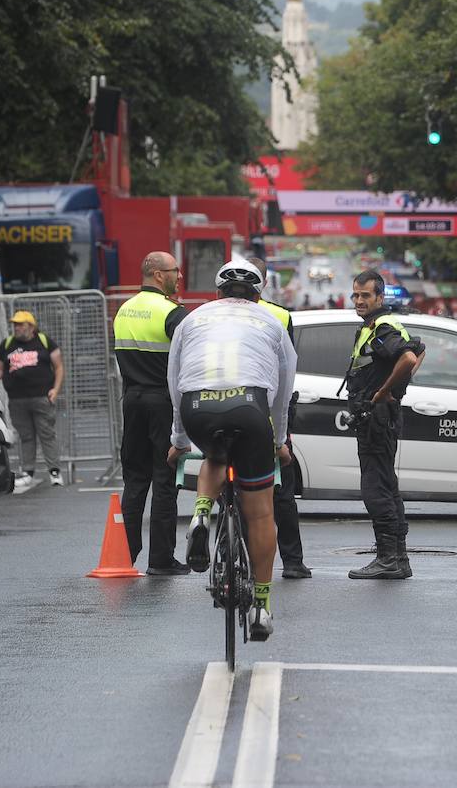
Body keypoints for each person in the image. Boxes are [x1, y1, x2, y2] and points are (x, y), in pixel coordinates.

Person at [167, 259, 297, 640]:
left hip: (198, 407)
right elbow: (284, 391)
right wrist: (278, 442)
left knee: (215, 455)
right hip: (249, 406)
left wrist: (179, 441)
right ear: (258, 294)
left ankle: (200, 514)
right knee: (260, 514)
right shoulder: (272, 322)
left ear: (217, 292)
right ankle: (261, 607)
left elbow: (175, 384)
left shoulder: (192, 320)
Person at [342, 269, 424, 580]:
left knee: (375, 488)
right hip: (379, 418)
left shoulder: (382, 328)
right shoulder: (378, 325)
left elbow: (409, 358)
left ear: (380, 297)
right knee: (387, 485)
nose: (359, 300)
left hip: (376, 419)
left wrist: (385, 391)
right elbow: (419, 349)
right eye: (356, 295)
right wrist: (396, 388)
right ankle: (397, 558)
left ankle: (389, 558)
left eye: (366, 295)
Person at [114, 252, 190, 575]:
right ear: (159, 275)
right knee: (164, 479)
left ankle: (124, 555)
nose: (179, 276)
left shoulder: (124, 310)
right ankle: (160, 560)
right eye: (175, 271)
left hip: (132, 399)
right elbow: (188, 360)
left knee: (134, 480)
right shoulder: (172, 313)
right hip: (162, 402)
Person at [248, 256, 311, 579]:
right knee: (283, 491)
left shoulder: (214, 312)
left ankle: (234, 557)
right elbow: (287, 367)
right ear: (263, 283)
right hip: (269, 408)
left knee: (235, 487)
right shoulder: (280, 315)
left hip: (225, 406)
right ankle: (293, 563)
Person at [0, 311, 64, 493]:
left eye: (20, 324)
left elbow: (59, 367)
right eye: (15, 324)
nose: (16, 328)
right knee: (26, 436)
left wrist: (55, 389)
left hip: (42, 397)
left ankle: (54, 472)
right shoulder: (7, 344)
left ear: (31, 326)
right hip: (17, 399)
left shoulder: (44, 341)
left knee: (47, 434)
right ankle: (28, 472)